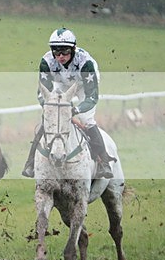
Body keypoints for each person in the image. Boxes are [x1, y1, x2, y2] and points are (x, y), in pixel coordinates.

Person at [21, 27, 115, 179]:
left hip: (84, 85)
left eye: (64, 52)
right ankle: (30, 162)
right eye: (56, 52)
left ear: (73, 49)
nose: (60, 56)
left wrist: (75, 110)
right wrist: (51, 109)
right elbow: (42, 93)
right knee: (49, 119)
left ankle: (104, 162)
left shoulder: (86, 63)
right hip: (61, 83)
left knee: (87, 119)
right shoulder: (46, 62)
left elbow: (92, 98)